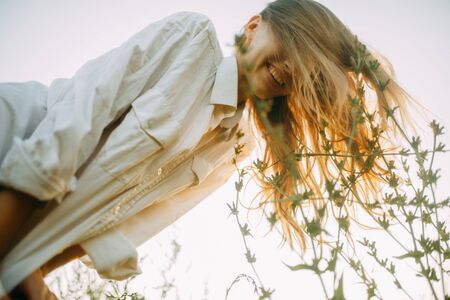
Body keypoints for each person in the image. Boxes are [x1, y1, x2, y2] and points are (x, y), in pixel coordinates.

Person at [0, 0, 413, 298]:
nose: (292, 65)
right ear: (253, 26)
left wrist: (33, 269)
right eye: (294, 44)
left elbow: (125, 221)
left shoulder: (234, 147)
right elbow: (76, 119)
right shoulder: (189, 38)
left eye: (309, 64)